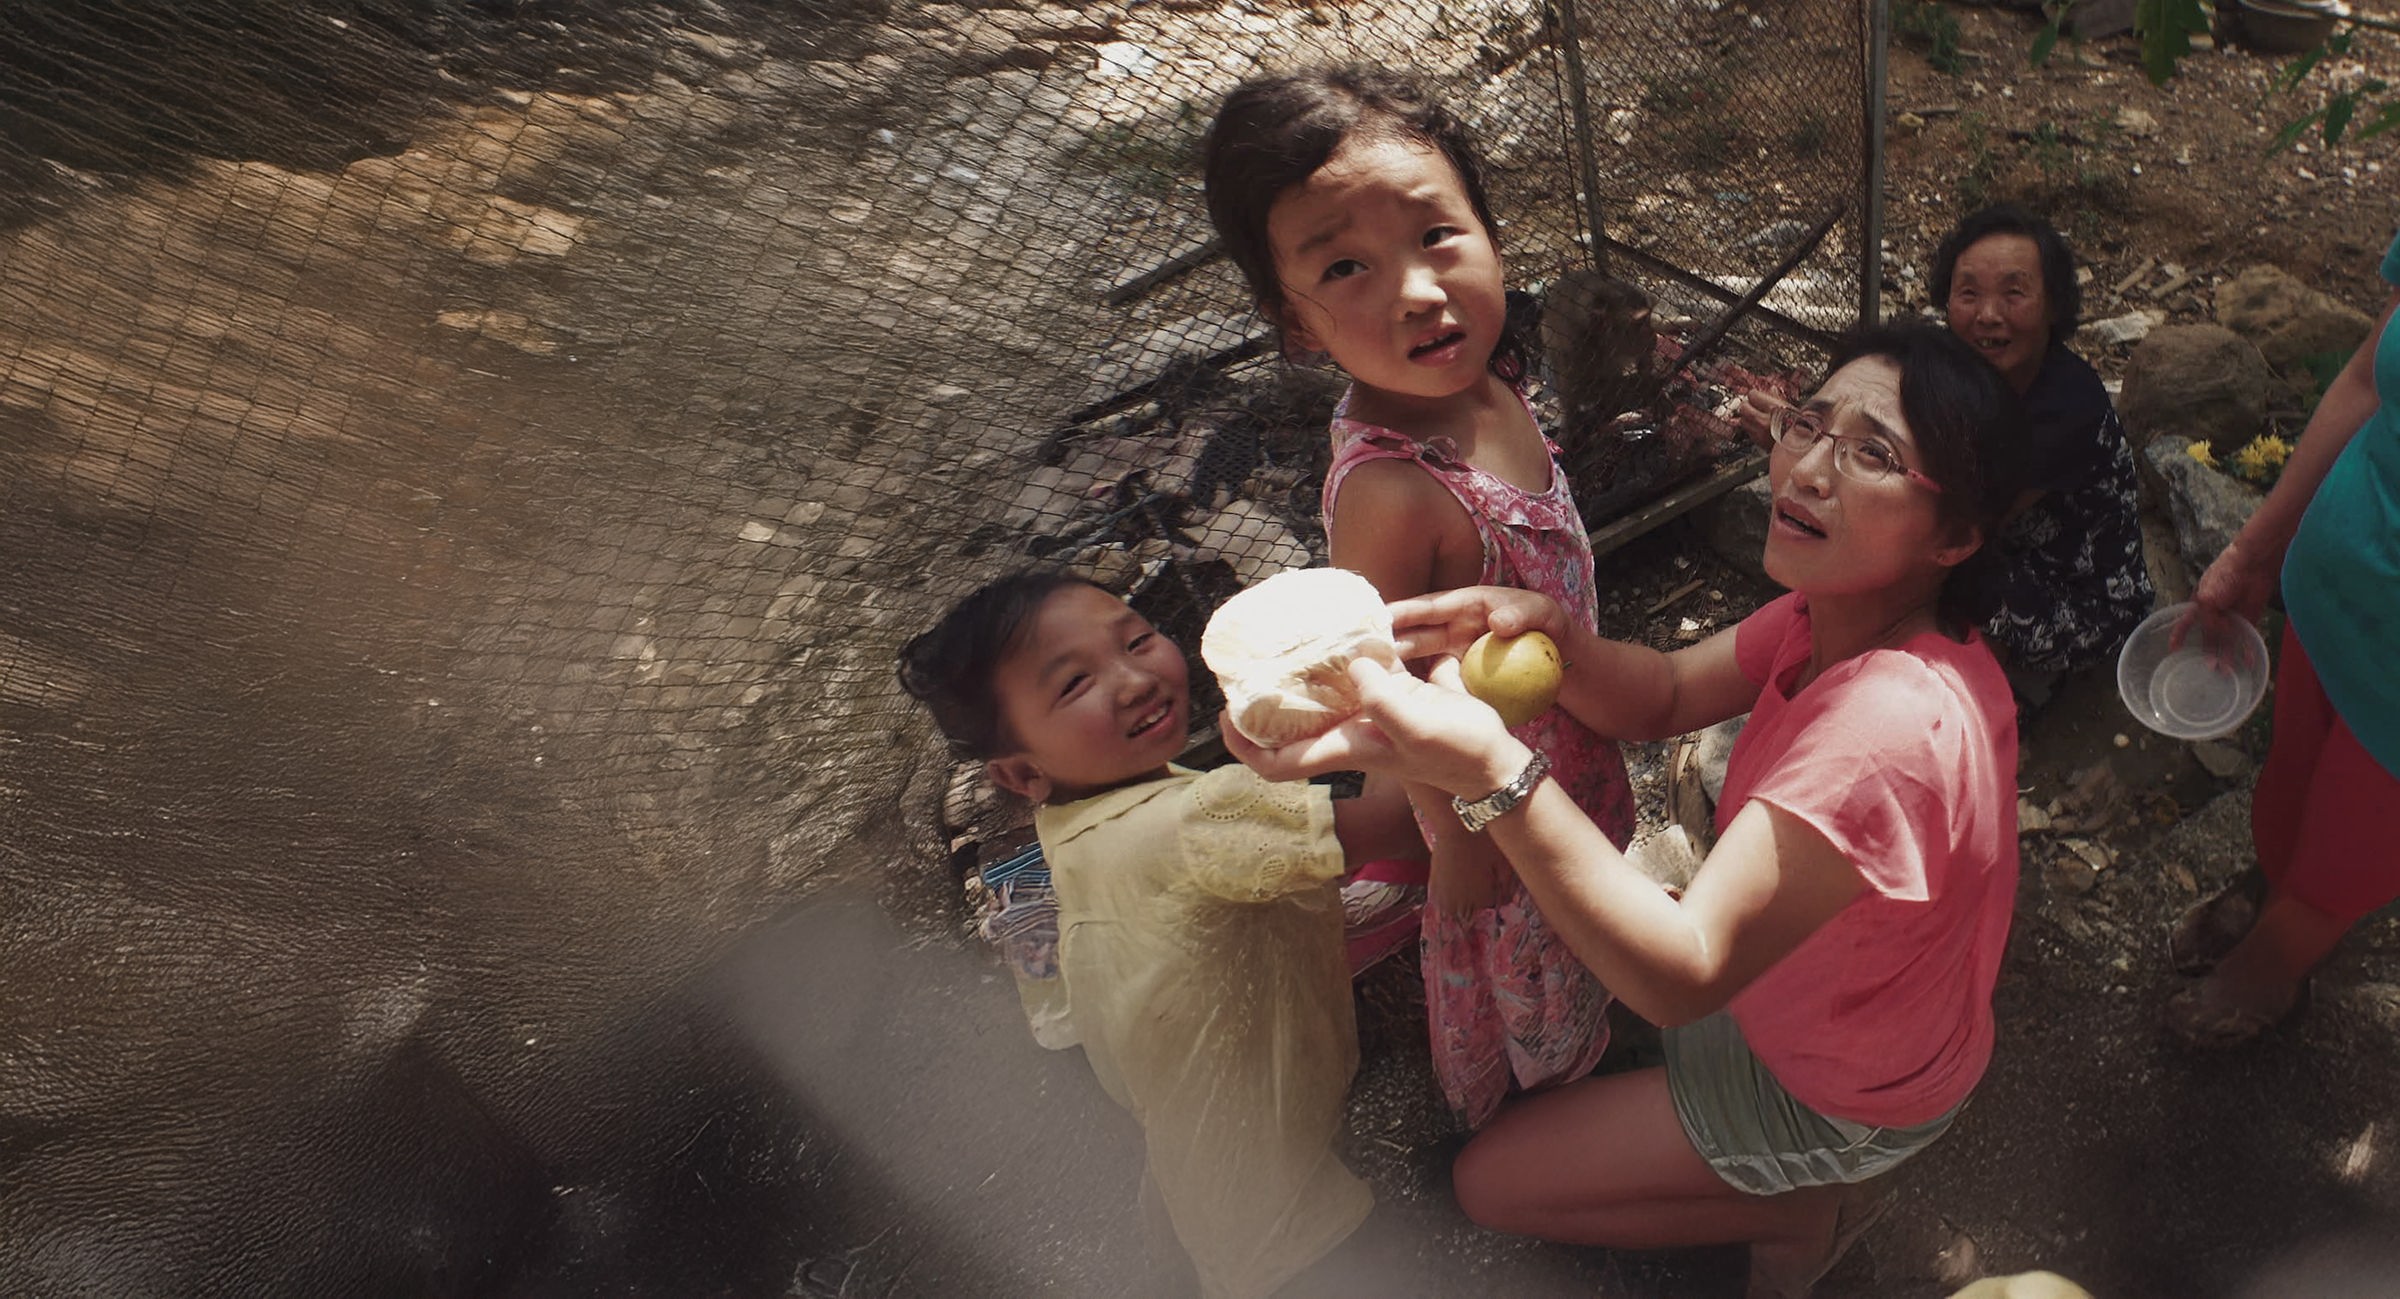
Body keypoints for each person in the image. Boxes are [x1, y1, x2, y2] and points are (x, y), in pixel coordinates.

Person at [1230, 324, 2031, 1299]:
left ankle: (1804, 1205)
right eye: (1810, 424)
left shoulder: (1889, 725)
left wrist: (1491, 769)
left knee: (1481, 1185)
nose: (1810, 469)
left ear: (1957, 535)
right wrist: (1552, 633)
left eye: (1874, 455)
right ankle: (1790, 1191)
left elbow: (1682, 975)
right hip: (1833, 1007)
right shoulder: (1844, 614)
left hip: (1841, 1086)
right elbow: (1657, 695)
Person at [1202, 64, 1635, 1129]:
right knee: (1529, 955)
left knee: (1592, 914)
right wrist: (1459, 848)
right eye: (1345, 265)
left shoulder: (1488, 380)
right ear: (1294, 321)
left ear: (1489, 231)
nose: (1416, 291)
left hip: (1565, 745)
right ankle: (1542, 1111)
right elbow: (1383, 697)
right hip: (1490, 808)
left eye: (1437, 235)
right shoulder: (1393, 493)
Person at [896, 570, 1423, 1298]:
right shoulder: (1199, 818)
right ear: (1021, 771)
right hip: (1278, 1211)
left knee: (1199, 1190)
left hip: (1185, 1115)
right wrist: (1405, 688)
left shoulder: (1073, 815)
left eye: (1137, 639)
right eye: (1074, 683)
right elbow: (1403, 824)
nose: (1133, 679)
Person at [1743, 204, 2150, 703]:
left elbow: (1956, 518)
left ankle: (1973, 697)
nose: (1988, 315)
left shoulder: (2070, 407)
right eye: (1969, 292)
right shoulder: (1960, 371)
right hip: (1997, 542)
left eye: (2014, 292)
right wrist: (1805, 432)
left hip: (2078, 593)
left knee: (1927, 560)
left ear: (2053, 307)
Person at [2162, 235, 2400, 1048]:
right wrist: (2254, 548)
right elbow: (2370, 375)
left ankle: (2269, 973)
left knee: (2351, 860)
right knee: (2292, 779)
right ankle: (2270, 888)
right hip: (2338, 588)